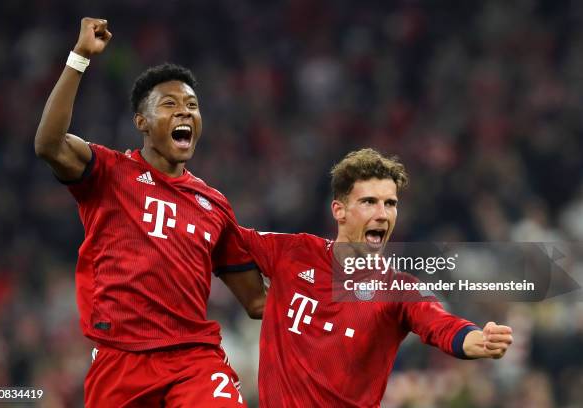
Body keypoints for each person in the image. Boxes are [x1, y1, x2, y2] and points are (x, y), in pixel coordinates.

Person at [35, 17, 264, 407]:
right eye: (170, 105)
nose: (185, 113)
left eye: (192, 106)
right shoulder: (109, 173)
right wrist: (79, 58)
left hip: (194, 360)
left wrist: (331, 292)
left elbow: (257, 301)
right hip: (119, 359)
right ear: (141, 121)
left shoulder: (214, 205)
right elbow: (49, 145)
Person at [239, 148, 514, 407]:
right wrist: (251, 295)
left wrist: (473, 339)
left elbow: (440, 323)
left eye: (390, 204)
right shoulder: (294, 252)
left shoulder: (399, 290)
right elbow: (223, 237)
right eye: (369, 202)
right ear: (339, 210)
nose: (382, 214)